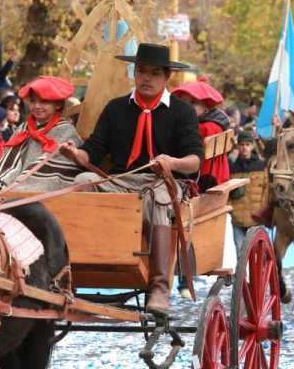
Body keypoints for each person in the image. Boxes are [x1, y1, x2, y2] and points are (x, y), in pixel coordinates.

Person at [62, 43, 203, 315]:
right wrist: (75, 153)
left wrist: (172, 163)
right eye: (141, 71)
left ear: (167, 76)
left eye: (154, 73)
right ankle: (70, 270)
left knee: (158, 199)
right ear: (134, 73)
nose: (146, 78)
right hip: (121, 181)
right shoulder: (115, 108)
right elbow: (93, 151)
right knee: (81, 180)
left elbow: (195, 160)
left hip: (166, 183)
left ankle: (159, 287)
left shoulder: (182, 111)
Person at [0, 76, 82, 192]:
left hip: (46, 191)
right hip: (11, 187)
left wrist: (20, 187)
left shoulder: (66, 131)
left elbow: (60, 170)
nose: (37, 106)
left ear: (58, 104)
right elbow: (9, 161)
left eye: (44, 101)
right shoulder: (23, 128)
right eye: (32, 101)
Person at [172, 80, 230, 190]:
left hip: (202, 181)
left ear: (206, 108)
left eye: (193, 102)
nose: (187, 106)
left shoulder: (205, 128)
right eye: (183, 102)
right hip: (217, 177)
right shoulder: (216, 124)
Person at [228, 131, 267, 249]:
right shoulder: (232, 168)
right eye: (242, 144)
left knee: (259, 253)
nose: (244, 147)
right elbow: (227, 193)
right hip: (238, 219)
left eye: (247, 144)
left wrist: (262, 211)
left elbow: (266, 191)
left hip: (257, 219)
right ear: (238, 146)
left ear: (252, 146)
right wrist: (232, 210)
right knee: (240, 254)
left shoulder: (261, 166)